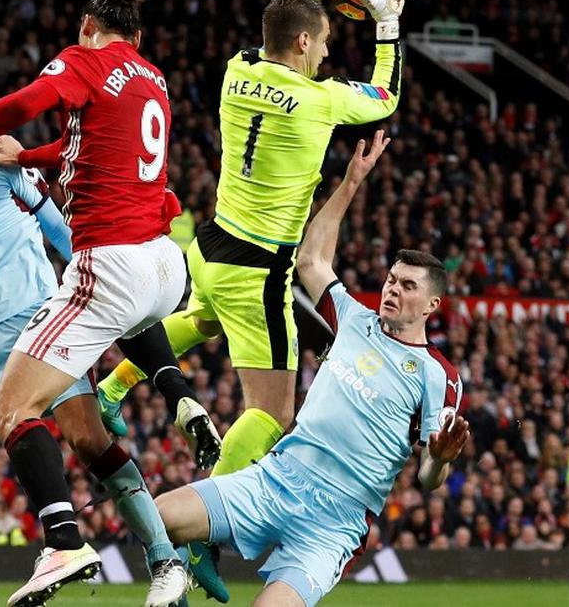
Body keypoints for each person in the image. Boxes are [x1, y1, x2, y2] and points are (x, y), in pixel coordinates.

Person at [96, 0, 407, 485]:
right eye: (325, 43)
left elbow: (273, 39)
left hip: (213, 245)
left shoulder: (235, 71)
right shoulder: (320, 100)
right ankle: (203, 526)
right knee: (273, 412)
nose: (328, 55)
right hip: (259, 265)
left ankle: (113, 387)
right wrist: (388, 23)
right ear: (305, 42)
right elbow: (385, 97)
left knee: (200, 320)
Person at [0, 103, 187, 607]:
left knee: (90, 440)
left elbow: (66, 236)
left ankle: (162, 556)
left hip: (40, 328)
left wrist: (102, 291)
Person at [155, 131, 469, 606]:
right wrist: (351, 182)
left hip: (336, 520)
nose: (392, 289)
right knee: (157, 517)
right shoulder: (353, 319)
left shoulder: (437, 375)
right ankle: (174, 586)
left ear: (432, 304)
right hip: (278, 478)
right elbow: (312, 259)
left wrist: (441, 459)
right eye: (390, 279)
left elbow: (427, 478)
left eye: (406, 285)